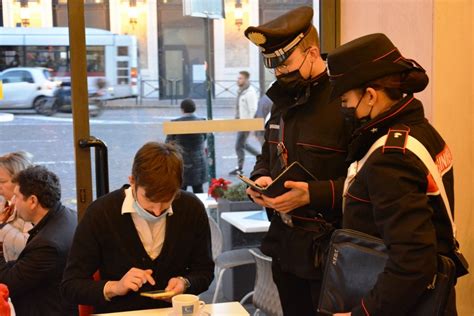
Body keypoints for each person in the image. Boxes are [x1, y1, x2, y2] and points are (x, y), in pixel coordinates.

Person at [326, 33, 459, 315]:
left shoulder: (391, 157)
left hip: (400, 305)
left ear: (371, 96)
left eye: (346, 100)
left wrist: (362, 312)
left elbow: (413, 261)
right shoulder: (420, 131)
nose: (345, 108)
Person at [244, 6, 350, 315]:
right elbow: (269, 152)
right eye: (273, 66)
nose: (279, 72)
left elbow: (367, 182)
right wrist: (262, 177)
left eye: (285, 63)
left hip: (330, 251)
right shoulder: (283, 98)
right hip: (285, 244)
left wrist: (313, 194)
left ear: (313, 52)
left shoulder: (344, 99)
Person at [61, 142, 214, 314]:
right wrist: (116, 287)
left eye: (166, 201)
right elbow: (71, 286)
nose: (157, 211)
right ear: (132, 181)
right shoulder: (101, 213)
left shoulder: (191, 208)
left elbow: (204, 270)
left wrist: (185, 283)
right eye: (149, 201)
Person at [0, 165, 78, 316]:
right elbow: (24, 266)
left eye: (17, 196)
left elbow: (7, 284)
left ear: (33, 201)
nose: (13, 202)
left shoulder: (48, 245)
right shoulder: (68, 215)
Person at [165, 99, 208, 193]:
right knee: (198, 190)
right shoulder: (202, 122)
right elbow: (205, 137)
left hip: (181, 161)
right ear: (194, 109)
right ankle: (199, 207)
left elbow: (168, 143)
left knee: (181, 191)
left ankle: (182, 208)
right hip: (199, 161)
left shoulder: (175, 123)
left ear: (182, 109)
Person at [0, 152, 33, 262]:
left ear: (20, 182)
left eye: (2, 181)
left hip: (15, 269)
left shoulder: (29, 209)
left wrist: (2, 227)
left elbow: (27, 246)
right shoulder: (5, 202)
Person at [229, 71, 259, 175]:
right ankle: (261, 156)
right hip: (240, 123)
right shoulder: (241, 91)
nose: (238, 80)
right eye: (238, 78)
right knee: (243, 144)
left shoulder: (250, 93)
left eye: (240, 78)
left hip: (245, 124)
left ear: (246, 79)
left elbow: (253, 109)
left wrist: (250, 126)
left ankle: (240, 167)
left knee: (239, 145)